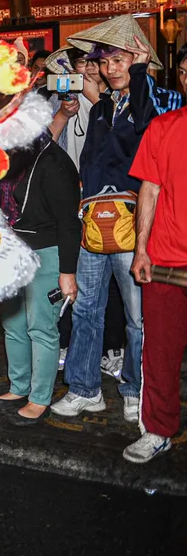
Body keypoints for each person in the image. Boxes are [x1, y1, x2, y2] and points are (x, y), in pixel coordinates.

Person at [52, 19, 183, 422]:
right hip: (96, 220)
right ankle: (84, 388)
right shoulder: (103, 107)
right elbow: (91, 160)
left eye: (119, 59)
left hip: (136, 224)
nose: (111, 68)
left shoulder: (163, 99)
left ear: (139, 60)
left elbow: (148, 128)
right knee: (88, 308)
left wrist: (142, 74)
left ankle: (133, 388)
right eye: (105, 61)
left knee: (137, 317)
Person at [124, 66, 187, 463]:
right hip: (166, 260)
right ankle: (159, 430)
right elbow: (149, 188)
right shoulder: (164, 127)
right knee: (160, 354)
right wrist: (141, 249)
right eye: (184, 72)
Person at [0, 137, 80, 421]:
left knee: (40, 327)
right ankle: (19, 385)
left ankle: (40, 397)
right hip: (14, 250)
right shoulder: (14, 158)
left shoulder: (53, 162)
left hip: (47, 253)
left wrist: (67, 272)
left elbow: (69, 222)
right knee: (13, 324)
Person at [47, 47, 103, 169]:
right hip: (66, 175)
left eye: (96, 60)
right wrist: (63, 114)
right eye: (82, 61)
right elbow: (44, 144)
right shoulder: (60, 95)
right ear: (73, 66)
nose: (89, 67)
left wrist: (95, 98)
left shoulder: (119, 97)